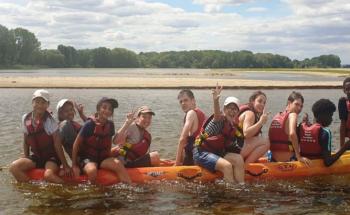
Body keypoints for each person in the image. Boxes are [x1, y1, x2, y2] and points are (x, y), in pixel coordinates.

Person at [9, 89, 73, 183]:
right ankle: (31, 190)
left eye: (43, 102)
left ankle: (68, 189)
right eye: (37, 102)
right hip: (37, 157)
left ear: (48, 104)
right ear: (32, 102)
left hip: (52, 158)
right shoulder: (25, 118)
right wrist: (26, 157)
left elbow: (57, 145)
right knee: (14, 167)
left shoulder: (50, 121)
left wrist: (66, 165)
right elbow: (26, 141)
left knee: (48, 175)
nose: (40, 105)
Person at [71, 97, 131, 184]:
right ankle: (95, 194)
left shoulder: (110, 125)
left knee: (118, 164)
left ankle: (129, 187)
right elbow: (76, 144)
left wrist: (111, 155)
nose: (107, 110)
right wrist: (74, 165)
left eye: (110, 109)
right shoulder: (89, 124)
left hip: (103, 159)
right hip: (88, 158)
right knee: (92, 171)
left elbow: (109, 143)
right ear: (98, 109)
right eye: (104, 107)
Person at [193, 84, 245, 184]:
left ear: (237, 112)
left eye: (235, 109)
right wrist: (216, 100)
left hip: (216, 152)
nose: (232, 111)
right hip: (201, 152)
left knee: (238, 159)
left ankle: (241, 186)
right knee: (227, 166)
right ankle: (231, 193)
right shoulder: (219, 120)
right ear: (224, 110)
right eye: (229, 108)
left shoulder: (232, 126)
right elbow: (216, 114)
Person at [299, 99, 350, 166]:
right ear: (323, 115)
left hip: (301, 164)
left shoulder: (301, 127)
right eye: (330, 115)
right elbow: (328, 162)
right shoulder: (325, 132)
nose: (332, 119)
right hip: (317, 167)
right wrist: (344, 147)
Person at [268, 91, 311, 165]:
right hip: (289, 159)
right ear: (289, 103)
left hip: (273, 159)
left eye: (301, 106)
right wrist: (299, 156)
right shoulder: (293, 115)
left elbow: (270, 136)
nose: (299, 108)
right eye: (296, 104)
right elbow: (292, 133)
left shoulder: (276, 116)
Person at [237, 91, 270, 164]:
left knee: (260, 139)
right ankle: (246, 167)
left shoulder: (249, 111)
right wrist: (261, 122)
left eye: (264, 103)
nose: (262, 104)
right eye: (260, 101)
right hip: (236, 150)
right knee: (266, 142)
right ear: (252, 101)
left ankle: (248, 161)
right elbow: (246, 133)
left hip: (235, 147)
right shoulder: (250, 114)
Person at [175, 89, 206, 166]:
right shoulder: (201, 113)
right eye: (181, 102)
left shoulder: (191, 113)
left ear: (193, 101)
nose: (183, 103)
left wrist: (177, 163)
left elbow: (182, 140)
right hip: (202, 154)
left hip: (193, 158)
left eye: (186, 100)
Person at [338, 77, 350, 148]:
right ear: (344, 90)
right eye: (347, 89)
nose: (349, 91)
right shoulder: (342, 102)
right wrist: (341, 146)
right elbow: (342, 125)